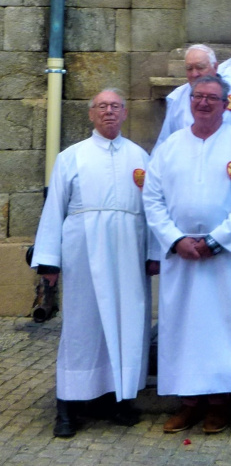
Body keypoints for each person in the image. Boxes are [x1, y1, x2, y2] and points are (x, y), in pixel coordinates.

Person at [144, 75, 231, 434]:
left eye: (212, 98)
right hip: (182, 257)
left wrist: (216, 240)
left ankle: (220, 404)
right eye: (198, 96)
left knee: (225, 329)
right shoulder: (170, 147)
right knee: (183, 330)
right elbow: (152, 198)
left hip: (226, 257)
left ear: (226, 104)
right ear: (189, 100)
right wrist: (174, 239)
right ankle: (188, 403)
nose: (204, 103)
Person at [31, 89, 151, 438]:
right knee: (83, 326)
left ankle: (117, 398)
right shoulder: (72, 157)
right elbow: (54, 209)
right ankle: (69, 405)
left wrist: (153, 254)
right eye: (102, 107)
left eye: (115, 107)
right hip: (83, 251)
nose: (109, 112)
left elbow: (151, 209)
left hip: (129, 251)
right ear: (91, 114)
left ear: (125, 113)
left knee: (126, 322)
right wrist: (48, 262)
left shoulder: (139, 156)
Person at [156, 44, 231, 147]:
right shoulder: (176, 98)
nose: (194, 74)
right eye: (189, 68)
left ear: (215, 67)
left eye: (200, 67)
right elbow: (164, 143)